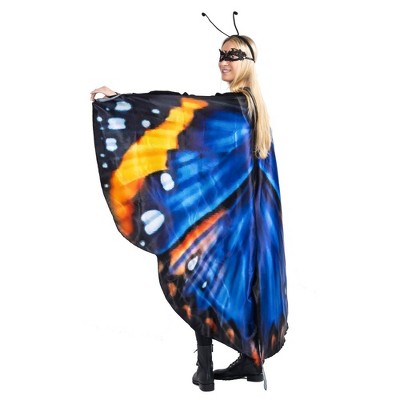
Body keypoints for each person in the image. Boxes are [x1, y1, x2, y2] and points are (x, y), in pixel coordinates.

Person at [90, 26, 287, 393]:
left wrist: (120, 101)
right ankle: (253, 361)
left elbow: (178, 107)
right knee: (243, 282)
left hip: (231, 219)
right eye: (222, 54)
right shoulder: (254, 108)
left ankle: (206, 368)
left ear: (248, 63)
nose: (224, 61)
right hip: (249, 221)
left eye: (233, 55)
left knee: (198, 275)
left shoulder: (234, 105)